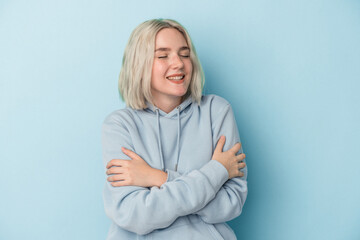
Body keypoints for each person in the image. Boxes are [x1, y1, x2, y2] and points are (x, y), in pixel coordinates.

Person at [102, 18, 248, 240]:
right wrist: (216, 171)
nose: (179, 63)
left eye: (185, 53)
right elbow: (134, 215)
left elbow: (230, 204)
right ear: (139, 64)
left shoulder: (217, 111)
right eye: (163, 55)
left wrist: (157, 178)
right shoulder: (119, 125)